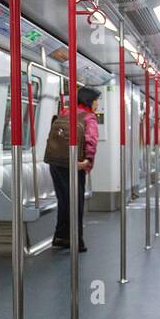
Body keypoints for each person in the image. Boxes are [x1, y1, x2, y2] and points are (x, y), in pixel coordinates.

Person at [51, 86, 100, 252]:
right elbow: (91, 141)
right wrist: (87, 161)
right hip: (74, 164)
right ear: (89, 101)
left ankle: (60, 237)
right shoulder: (89, 118)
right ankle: (76, 241)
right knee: (76, 202)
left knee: (64, 200)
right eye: (96, 100)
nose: (97, 104)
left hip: (56, 162)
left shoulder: (65, 112)